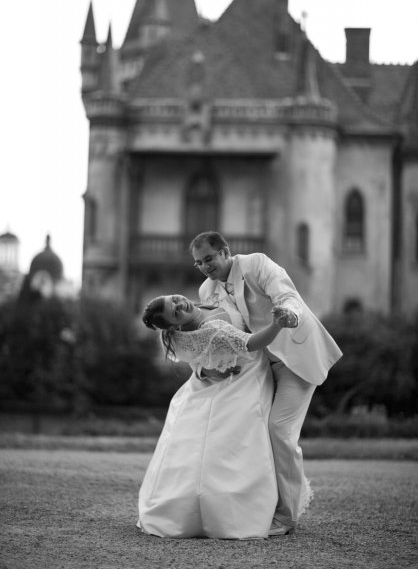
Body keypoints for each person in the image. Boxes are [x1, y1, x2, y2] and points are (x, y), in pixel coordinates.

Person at [190, 231, 343, 536]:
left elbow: (286, 295)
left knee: (279, 431)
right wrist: (205, 368)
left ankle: (286, 516)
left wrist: (289, 314)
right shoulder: (206, 290)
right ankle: (260, 506)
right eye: (199, 263)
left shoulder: (256, 264)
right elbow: (213, 334)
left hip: (294, 357)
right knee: (252, 433)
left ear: (225, 252)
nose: (205, 267)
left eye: (209, 258)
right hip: (256, 369)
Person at [138, 294, 309, 539]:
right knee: (236, 443)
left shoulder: (193, 313)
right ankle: (231, 512)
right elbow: (252, 343)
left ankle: (208, 507)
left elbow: (196, 355)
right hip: (245, 377)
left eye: (174, 299)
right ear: (174, 326)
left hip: (216, 383)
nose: (179, 305)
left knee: (214, 443)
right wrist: (276, 325)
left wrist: (205, 368)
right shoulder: (213, 329)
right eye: (175, 313)